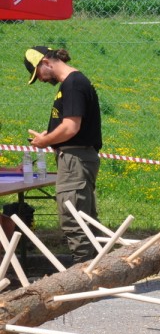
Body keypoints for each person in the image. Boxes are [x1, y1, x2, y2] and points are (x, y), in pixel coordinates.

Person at [24, 46, 102, 264]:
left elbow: (70, 128)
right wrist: (49, 135)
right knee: (84, 216)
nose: (39, 79)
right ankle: (97, 266)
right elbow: (69, 125)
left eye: (37, 72)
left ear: (45, 62)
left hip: (74, 159)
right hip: (76, 158)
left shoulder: (73, 85)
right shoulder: (71, 84)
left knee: (73, 216)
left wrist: (44, 141)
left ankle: (82, 271)